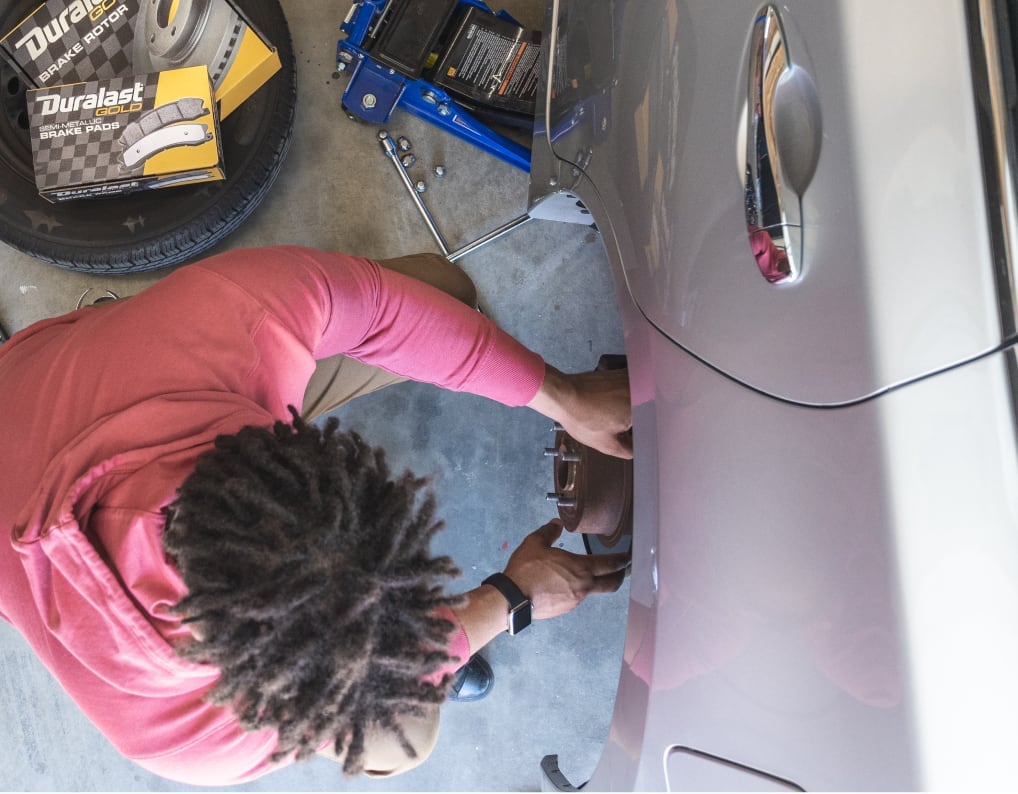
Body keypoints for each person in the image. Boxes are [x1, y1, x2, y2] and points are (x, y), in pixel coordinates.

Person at [0, 246, 632, 786]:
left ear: (299, 453)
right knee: (401, 737)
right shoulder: (186, 739)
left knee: (439, 293)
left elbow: (381, 308)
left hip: (82, 378)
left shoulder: (224, 320)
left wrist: (564, 396)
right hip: (80, 422)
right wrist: (507, 600)